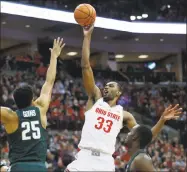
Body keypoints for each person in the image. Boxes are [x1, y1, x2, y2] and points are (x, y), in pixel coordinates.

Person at [66, 25, 182, 171]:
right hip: (84, 156)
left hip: (105, 162)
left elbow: (145, 136)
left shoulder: (124, 115)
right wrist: (87, 37)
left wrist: (162, 120)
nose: (106, 87)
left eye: (111, 85)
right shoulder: (95, 98)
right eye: (106, 85)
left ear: (119, 92)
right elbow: (85, 67)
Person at [0, 37, 65, 172]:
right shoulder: (40, 110)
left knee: (3, 168)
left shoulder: (11, 116)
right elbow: (49, 81)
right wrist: (54, 57)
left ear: (16, 102)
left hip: (18, 167)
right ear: (32, 100)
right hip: (40, 167)